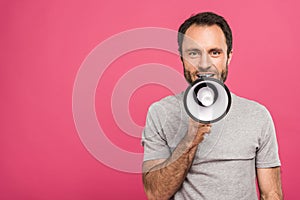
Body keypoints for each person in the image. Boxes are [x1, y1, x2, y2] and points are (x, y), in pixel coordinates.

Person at [141, 12, 283, 200]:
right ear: (182, 58)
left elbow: (271, 194)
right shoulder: (160, 113)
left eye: (214, 52)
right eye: (193, 53)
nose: (205, 64)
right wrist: (191, 138)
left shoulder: (257, 115)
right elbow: (155, 194)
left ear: (228, 57)